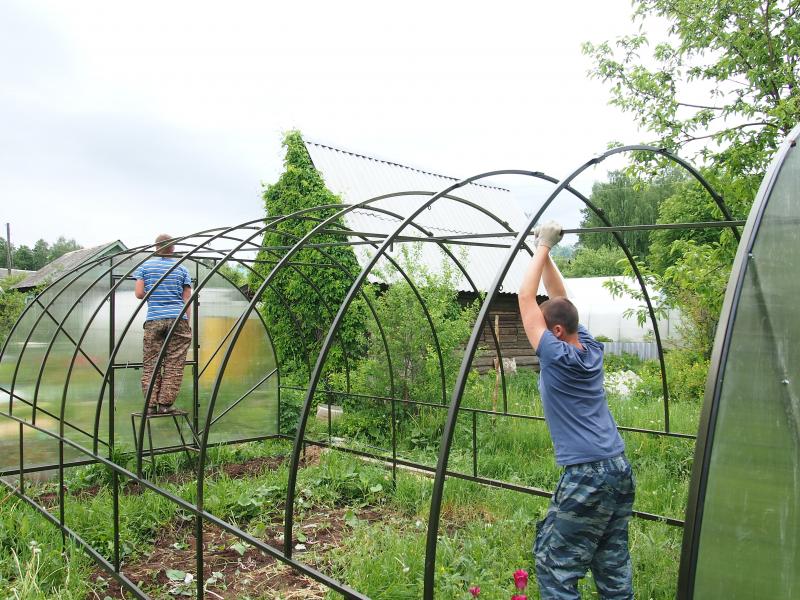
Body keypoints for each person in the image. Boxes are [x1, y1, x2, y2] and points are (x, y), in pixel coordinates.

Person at [518, 220, 635, 600]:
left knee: (555, 567)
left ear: (553, 333)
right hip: (617, 466)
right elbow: (559, 295)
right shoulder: (588, 346)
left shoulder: (554, 355)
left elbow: (525, 298)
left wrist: (540, 250)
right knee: (611, 562)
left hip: (587, 473)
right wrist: (545, 248)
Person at [133, 234, 193, 415]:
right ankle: (166, 405)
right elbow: (187, 298)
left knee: (151, 362)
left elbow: (138, 293)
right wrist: (186, 321)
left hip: (154, 320)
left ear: (155, 248)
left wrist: (155, 294)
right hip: (177, 320)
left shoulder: (145, 267)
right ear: (173, 248)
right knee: (175, 362)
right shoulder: (181, 269)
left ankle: (150, 406)